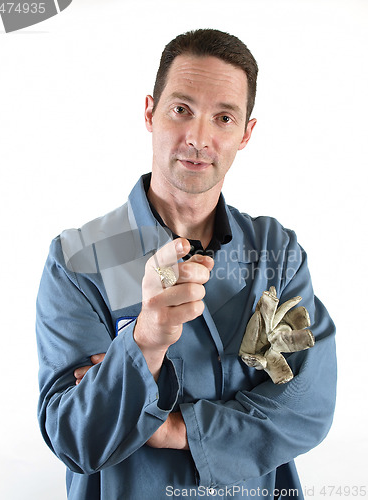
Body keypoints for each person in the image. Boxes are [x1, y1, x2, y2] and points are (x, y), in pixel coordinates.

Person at [36, 29, 337, 499]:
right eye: (181, 110)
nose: (199, 137)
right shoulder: (82, 259)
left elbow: (307, 404)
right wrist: (145, 340)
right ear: (150, 113)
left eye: (223, 117)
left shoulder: (275, 251)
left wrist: (179, 429)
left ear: (245, 133)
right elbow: (77, 440)